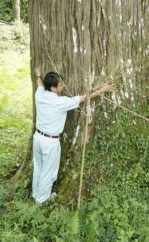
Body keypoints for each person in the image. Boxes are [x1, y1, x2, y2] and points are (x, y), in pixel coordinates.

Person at [32, 67, 116, 204]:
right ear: (53, 87)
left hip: (38, 138)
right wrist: (103, 90)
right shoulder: (61, 102)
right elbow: (84, 98)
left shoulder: (40, 95)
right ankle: (42, 200)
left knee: (38, 167)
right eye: (60, 84)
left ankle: (36, 193)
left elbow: (39, 84)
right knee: (48, 171)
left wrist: (38, 75)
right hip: (49, 143)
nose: (63, 85)